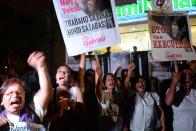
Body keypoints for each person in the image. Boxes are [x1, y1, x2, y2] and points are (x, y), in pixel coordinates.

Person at [0, 51, 52, 130]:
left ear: (25, 97)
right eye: (10, 93)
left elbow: (46, 91)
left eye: (19, 92)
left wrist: (41, 67)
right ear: (2, 101)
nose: (15, 95)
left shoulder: (34, 111)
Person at [44, 64, 86, 131]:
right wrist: (59, 112)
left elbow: (83, 113)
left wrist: (72, 106)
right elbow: (45, 118)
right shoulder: (51, 92)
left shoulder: (76, 90)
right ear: (56, 78)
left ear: (70, 78)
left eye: (66, 72)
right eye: (59, 71)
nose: (62, 73)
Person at [165, 63, 196, 131]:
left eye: (190, 75)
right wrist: (174, 82)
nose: (187, 77)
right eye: (184, 75)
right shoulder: (174, 91)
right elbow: (168, 102)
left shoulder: (194, 92)